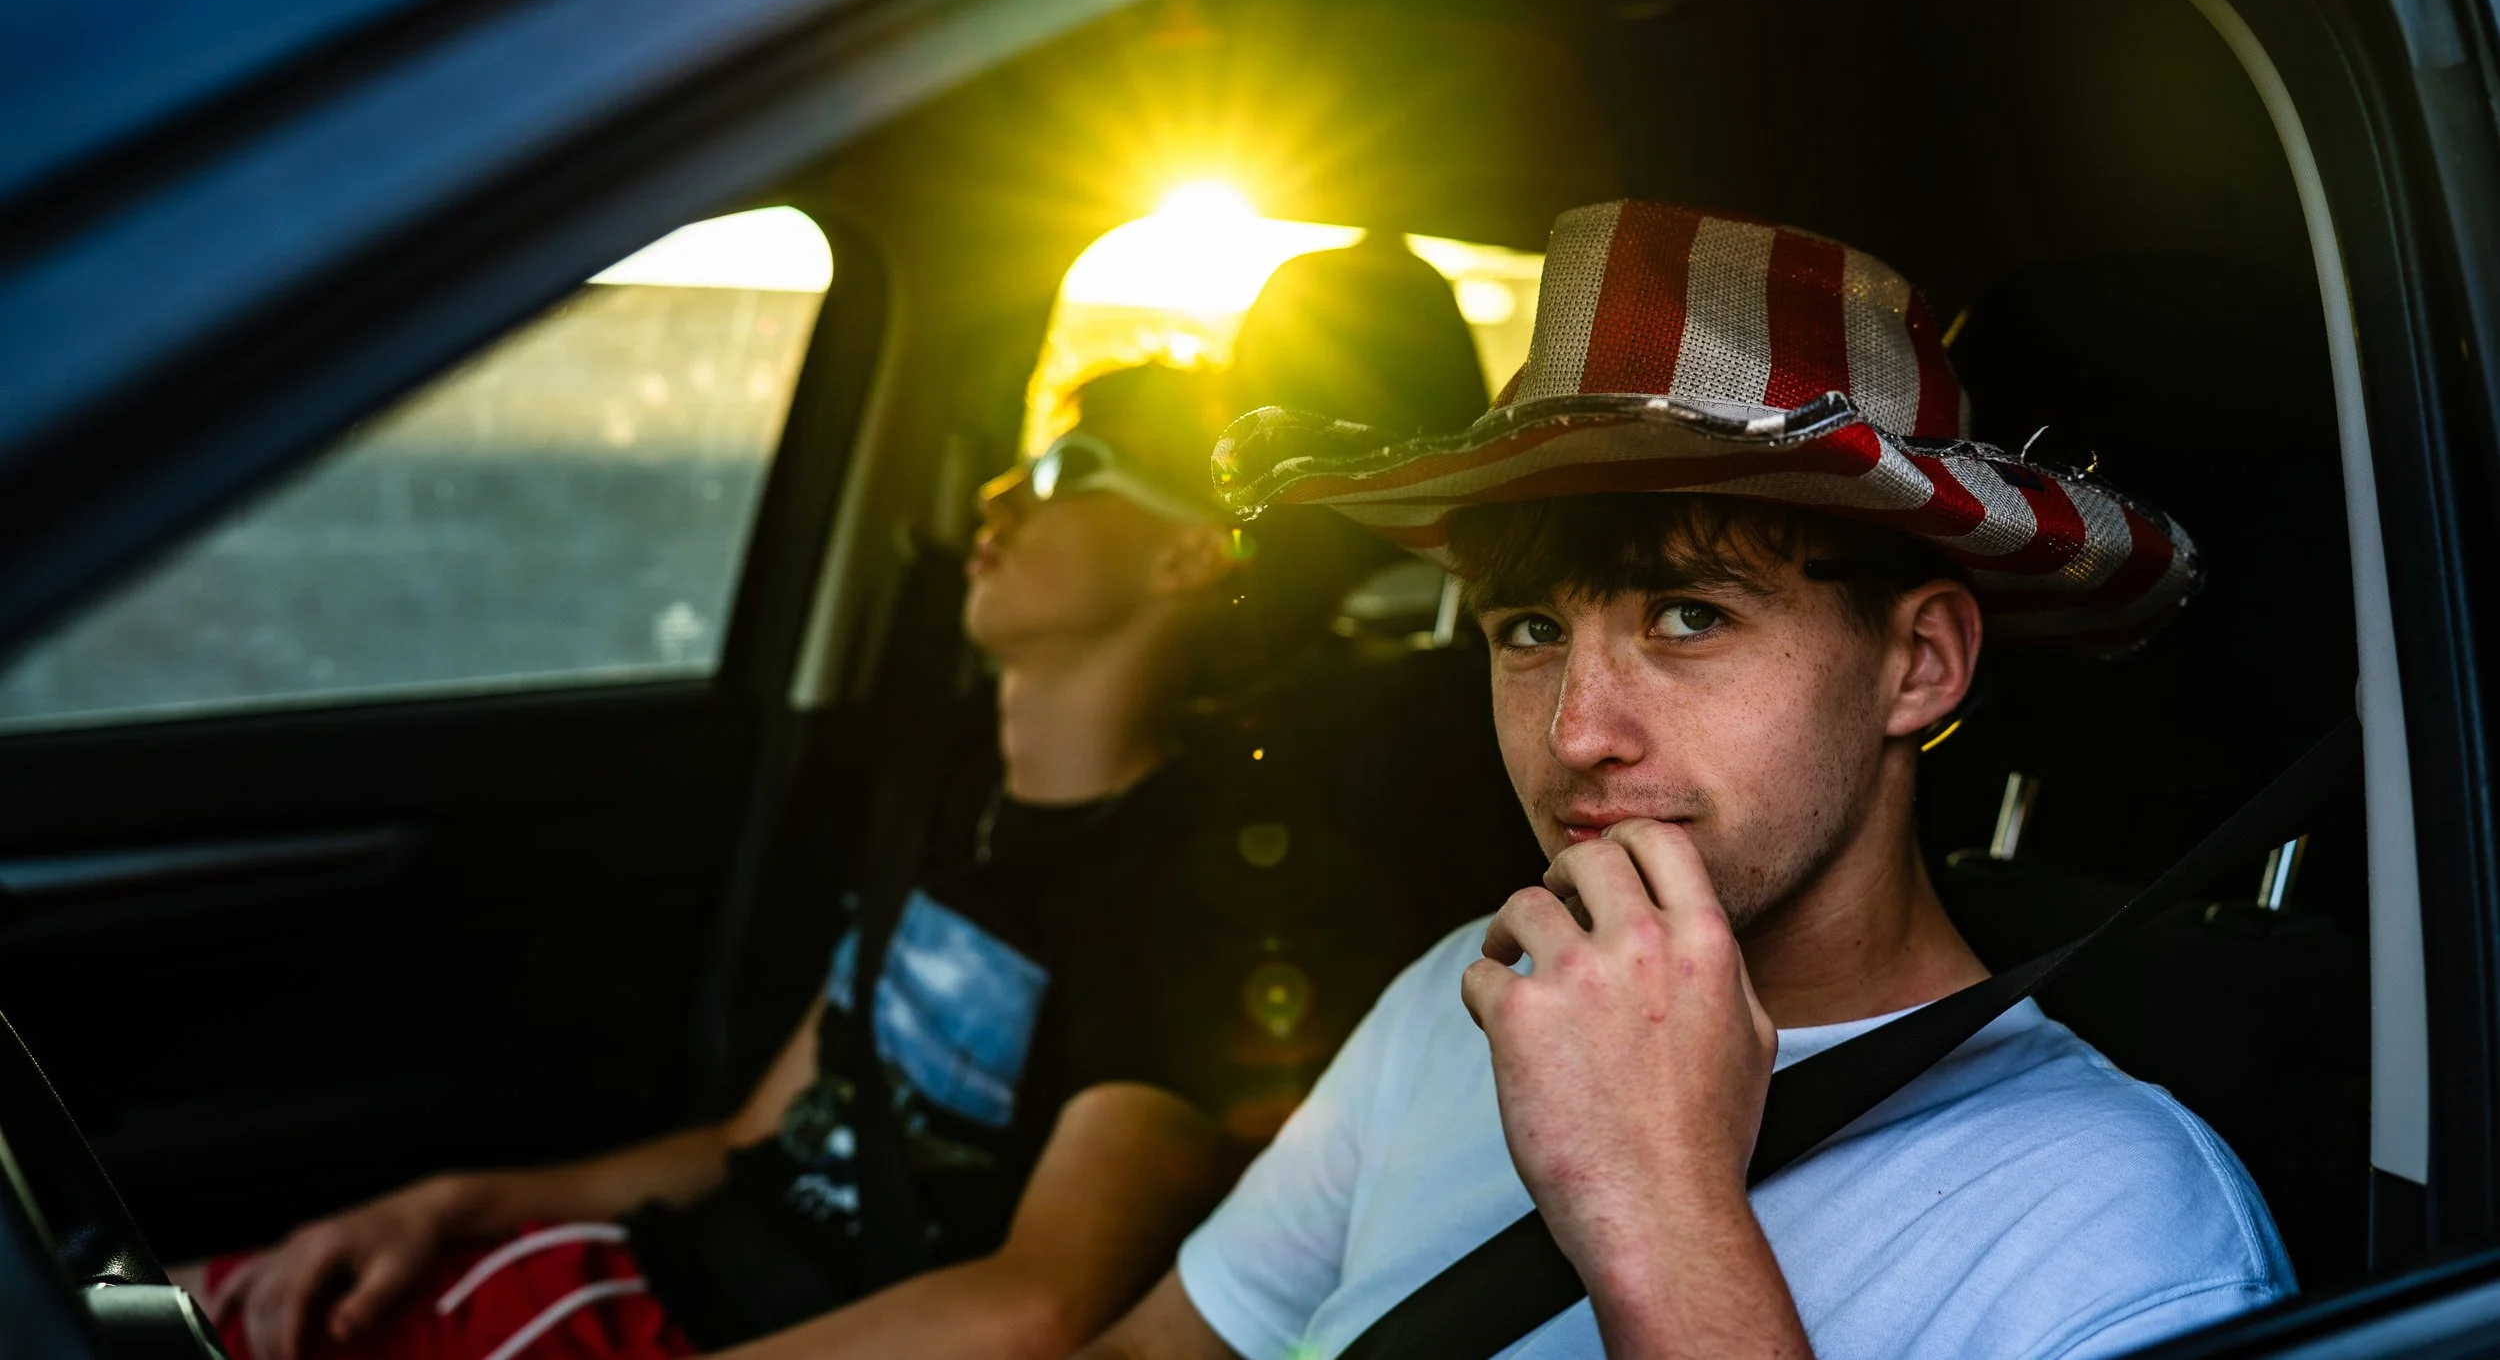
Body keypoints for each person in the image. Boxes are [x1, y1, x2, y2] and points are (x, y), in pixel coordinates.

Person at [1079, 200, 2291, 1359]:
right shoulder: (1465, 1004)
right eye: (1530, 632)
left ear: (1917, 664)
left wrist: (1651, 1199)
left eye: (1687, 616)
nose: (1574, 733)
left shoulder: (2116, 1222)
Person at [188, 364, 1277, 1360]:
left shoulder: (1185, 900)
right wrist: (451, 1204)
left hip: (698, 1335)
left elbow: (1040, 1306)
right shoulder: (953, 810)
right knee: (127, 1305)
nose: (1001, 493)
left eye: (1068, 469)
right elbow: (751, 1139)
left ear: (1190, 555)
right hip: (607, 1281)